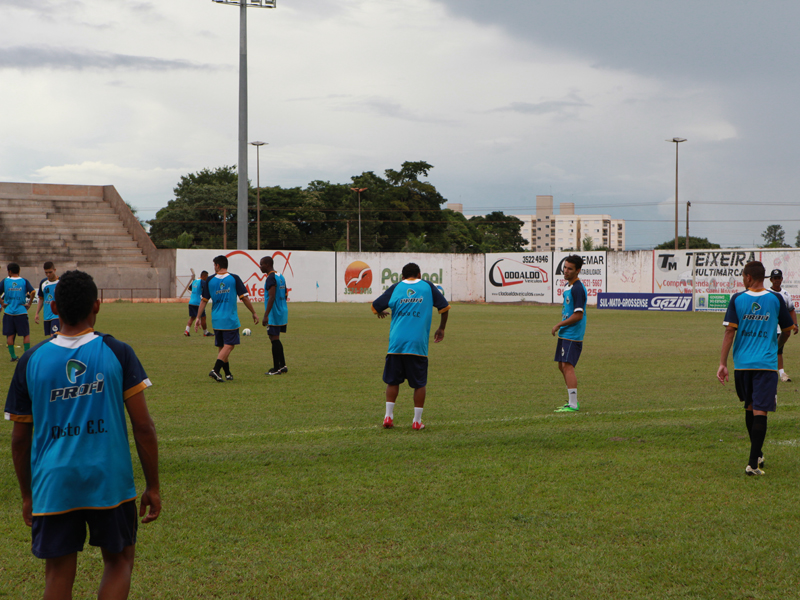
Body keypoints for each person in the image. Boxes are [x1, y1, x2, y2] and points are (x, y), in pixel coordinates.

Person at [4, 269, 160, 599]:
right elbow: (144, 426)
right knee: (119, 563)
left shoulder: (31, 360)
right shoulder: (117, 352)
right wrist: (153, 485)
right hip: (109, 480)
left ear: (54, 308)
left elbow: (19, 440)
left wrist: (28, 495)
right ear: (98, 306)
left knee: (58, 573)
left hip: (54, 483)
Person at [718, 261, 794, 476]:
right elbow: (788, 330)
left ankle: (756, 455)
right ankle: (753, 463)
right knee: (760, 409)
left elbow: (729, 333)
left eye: (743, 276)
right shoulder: (775, 299)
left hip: (742, 365)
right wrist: (777, 347)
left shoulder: (737, 299)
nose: (743, 279)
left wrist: (723, 363)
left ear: (749, 277)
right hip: (766, 365)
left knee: (750, 406)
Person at [371, 262, 449, 430]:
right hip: (417, 344)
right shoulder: (427, 286)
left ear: (402, 277)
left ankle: (388, 418)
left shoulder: (396, 287)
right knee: (419, 384)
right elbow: (444, 307)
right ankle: (416, 421)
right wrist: (441, 328)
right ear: (420, 275)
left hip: (396, 344)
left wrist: (379, 312)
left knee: (392, 381)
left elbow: (375, 306)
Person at [198, 255, 258, 382]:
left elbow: (204, 301)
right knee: (229, 345)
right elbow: (244, 298)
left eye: (214, 265)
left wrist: (198, 317)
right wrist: (253, 312)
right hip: (229, 319)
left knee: (222, 347)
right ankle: (215, 370)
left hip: (216, 319)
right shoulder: (234, 278)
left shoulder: (210, 280)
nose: (214, 267)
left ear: (218, 266)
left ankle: (228, 373)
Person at [551, 254, 587, 413]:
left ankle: (573, 404)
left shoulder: (578, 288)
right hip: (566, 333)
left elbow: (579, 314)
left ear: (578, 270)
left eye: (570, 269)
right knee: (562, 365)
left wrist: (559, 324)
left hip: (572, 334)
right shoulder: (569, 285)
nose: (565, 271)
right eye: (565, 267)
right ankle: (571, 401)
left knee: (567, 366)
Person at [260, 256, 289, 375]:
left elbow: (271, 296)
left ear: (267, 265)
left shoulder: (271, 278)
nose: (260, 267)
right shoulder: (280, 276)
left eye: (261, 264)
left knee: (274, 339)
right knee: (275, 338)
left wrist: (266, 315)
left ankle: (276, 369)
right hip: (282, 311)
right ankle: (282, 365)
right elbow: (285, 294)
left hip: (274, 313)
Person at [2, 262, 36, 362]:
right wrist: (29, 303)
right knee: (25, 334)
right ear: (19, 271)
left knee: (10, 335)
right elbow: (33, 292)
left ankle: (13, 356)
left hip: (8, 312)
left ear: (9, 271)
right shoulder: (24, 281)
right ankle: (26, 357)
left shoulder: (5, 281)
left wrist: (2, 302)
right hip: (21, 311)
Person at [768, 268, 798, 382]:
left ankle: (781, 373)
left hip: (781, 329)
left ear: (781, 279)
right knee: (770, 350)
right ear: (771, 280)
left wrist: (795, 324)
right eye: (774, 278)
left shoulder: (785, 294)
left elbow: (791, 310)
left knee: (778, 350)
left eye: (778, 278)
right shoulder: (767, 293)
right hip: (769, 328)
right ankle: (772, 372)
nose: (776, 280)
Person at [34, 261, 60, 337]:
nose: (48, 274)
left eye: (50, 272)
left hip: (57, 316)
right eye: (46, 273)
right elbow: (41, 299)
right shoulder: (43, 283)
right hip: (47, 316)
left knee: (54, 337)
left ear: (54, 270)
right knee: (51, 338)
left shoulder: (61, 282)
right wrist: (37, 313)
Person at [185, 270, 212, 337]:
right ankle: (205, 332)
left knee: (192, 317)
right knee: (203, 317)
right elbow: (206, 288)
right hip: (198, 303)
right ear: (204, 276)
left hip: (191, 302)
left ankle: (187, 330)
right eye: (207, 277)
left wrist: (195, 291)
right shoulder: (202, 281)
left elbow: (189, 288)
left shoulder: (194, 281)